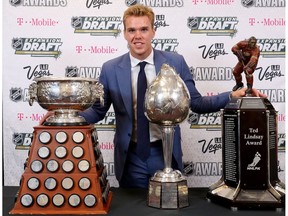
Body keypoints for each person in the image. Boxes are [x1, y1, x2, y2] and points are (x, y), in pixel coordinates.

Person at [79, 4, 265, 188]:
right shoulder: (110, 69)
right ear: (125, 33)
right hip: (131, 158)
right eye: (132, 30)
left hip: (166, 153)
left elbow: (197, 103)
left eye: (144, 29)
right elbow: (98, 110)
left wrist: (234, 95)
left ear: (154, 31)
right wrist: (65, 115)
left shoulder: (175, 62)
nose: (138, 36)